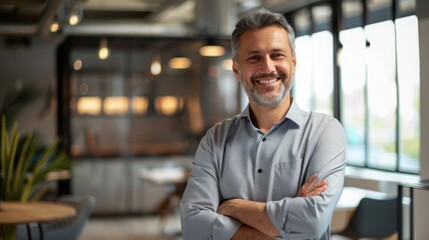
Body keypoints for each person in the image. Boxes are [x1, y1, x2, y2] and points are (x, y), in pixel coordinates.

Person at [180, 8, 347, 240]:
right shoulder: (214, 141)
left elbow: (312, 221)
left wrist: (233, 208)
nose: (268, 67)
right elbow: (193, 225)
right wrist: (287, 222)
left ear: (294, 63)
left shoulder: (325, 133)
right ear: (237, 69)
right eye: (254, 57)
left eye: (277, 55)